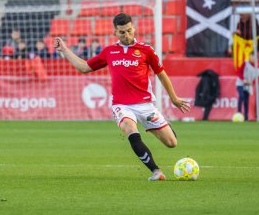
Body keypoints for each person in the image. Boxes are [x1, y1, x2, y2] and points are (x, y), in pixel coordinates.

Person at [54, 13, 191, 181]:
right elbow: (84, 67)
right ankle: (156, 171)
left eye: (128, 30)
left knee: (171, 143)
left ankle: (158, 126)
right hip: (122, 105)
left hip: (145, 104)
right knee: (129, 129)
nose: (126, 35)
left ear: (133, 28)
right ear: (115, 33)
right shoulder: (109, 51)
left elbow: (161, 74)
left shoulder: (146, 50)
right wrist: (65, 50)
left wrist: (174, 98)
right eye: (122, 32)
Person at [235, 52, 259, 121]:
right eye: (251, 56)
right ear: (249, 57)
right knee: (241, 96)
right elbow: (239, 72)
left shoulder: (257, 68)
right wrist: (243, 79)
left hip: (248, 86)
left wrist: (252, 82)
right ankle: (239, 113)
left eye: (254, 57)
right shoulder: (245, 63)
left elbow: (257, 78)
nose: (253, 58)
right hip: (240, 83)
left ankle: (246, 117)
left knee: (246, 101)